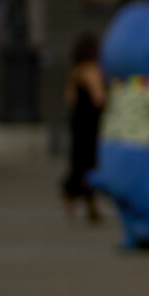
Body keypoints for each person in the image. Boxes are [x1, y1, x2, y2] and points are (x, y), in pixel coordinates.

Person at [62, 30, 107, 224]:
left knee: (79, 162)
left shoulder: (76, 70)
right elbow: (99, 98)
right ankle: (88, 204)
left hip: (78, 121)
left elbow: (69, 98)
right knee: (92, 162)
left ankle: (82, 202)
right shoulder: (92, 69)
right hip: (92, 123)